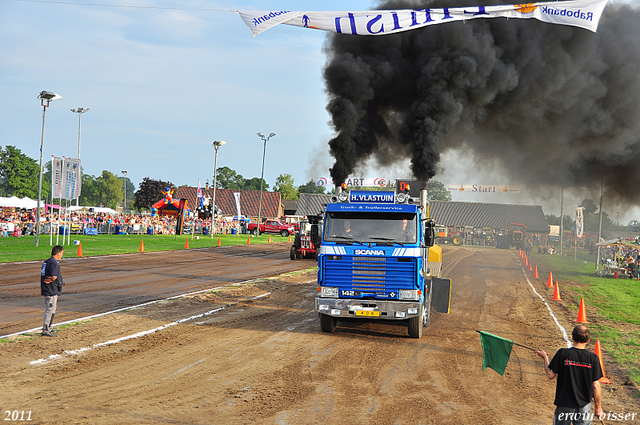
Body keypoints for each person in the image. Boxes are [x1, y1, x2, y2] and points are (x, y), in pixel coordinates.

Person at [535, 325, 604, 424]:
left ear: (572, 337)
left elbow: (550, 375)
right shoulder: (593, 358)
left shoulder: (563, 353)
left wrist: (545, 357)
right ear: (588, 340)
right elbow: (596, 385)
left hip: (564, 405)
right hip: (583, 406)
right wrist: (598, 407)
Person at [41, 245, 64, 337]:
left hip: (49, 288)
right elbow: (53, 276)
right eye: (62, 253)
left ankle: (49, 327)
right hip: (51, 289)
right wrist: (51, 280)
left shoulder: (47, 261)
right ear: (58, 253)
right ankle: (46, 329)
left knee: (52, 309)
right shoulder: (53, 263)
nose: (62, 255)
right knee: (50, 309)